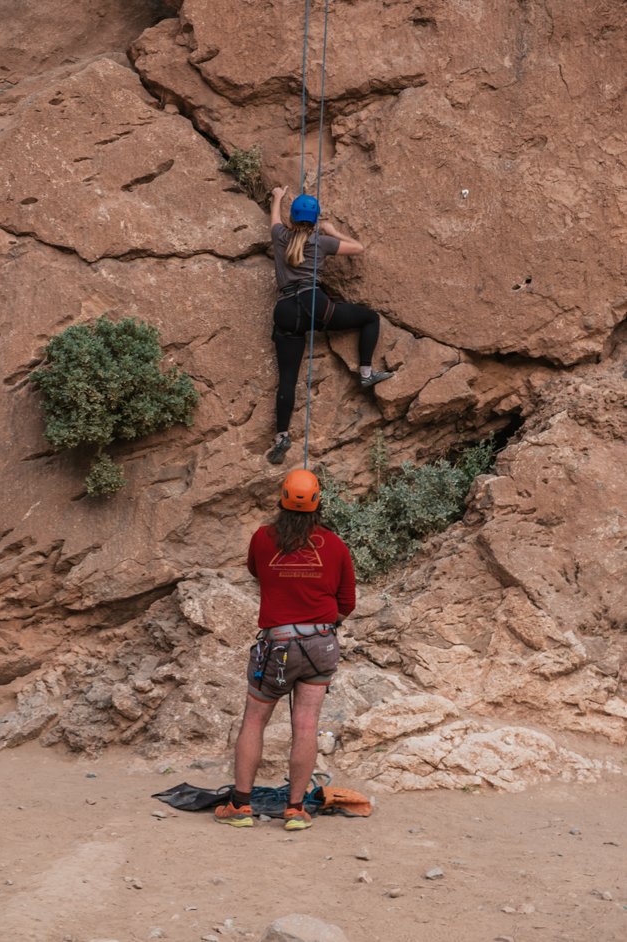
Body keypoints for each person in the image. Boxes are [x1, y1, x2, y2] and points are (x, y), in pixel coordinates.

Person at [215, 468, 356, 831]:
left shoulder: (263, 539)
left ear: (281, 499)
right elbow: (346, 603)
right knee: (306, 726)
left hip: (277, 646)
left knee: (254, 719)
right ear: (318, 504)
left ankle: (241, 806)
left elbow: (257, 572)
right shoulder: (336, 545)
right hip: (320, 643)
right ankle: (295, 810)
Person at [266, 186, 393, 465]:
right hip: (315, 304)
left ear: (292, 217)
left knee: (287, 378)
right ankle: (366, 372)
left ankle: (281, 437)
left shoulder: (280, 236)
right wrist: (333, 231)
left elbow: (274, 220)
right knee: (370, 317)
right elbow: (359, 248)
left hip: (286, 310)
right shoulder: (322, 242)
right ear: (315, 220)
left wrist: (277, 197)